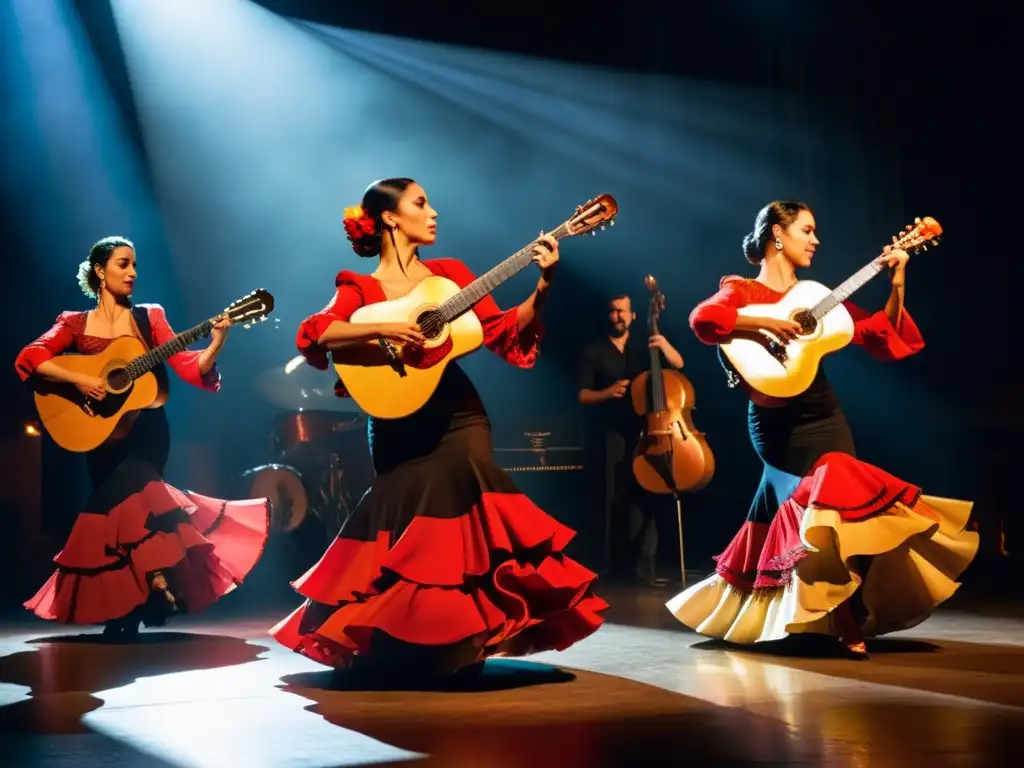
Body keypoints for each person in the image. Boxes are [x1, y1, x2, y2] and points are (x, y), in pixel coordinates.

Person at [270, 178, 607, 680]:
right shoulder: (358, 288)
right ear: (389, 217)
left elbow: (499, 330)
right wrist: (384, 327)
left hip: (457, 414)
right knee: (406, 533)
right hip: (396, 420)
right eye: (420, 204)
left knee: (466, 526)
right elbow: (316, 334)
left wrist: (544, 285)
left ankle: (463, 643)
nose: (433, 213)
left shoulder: (450, 277)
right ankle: (404, 641)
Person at [665, 201, 978, 658]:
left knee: (841, 499)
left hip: (824, 415)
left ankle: (846, 613)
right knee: (810, 509)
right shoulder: (741, 289)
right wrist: (768, 319)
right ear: (777, 234)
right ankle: (822, 616)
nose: (815, 240)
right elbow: (704, 321)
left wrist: (897, 280)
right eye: (807, 230)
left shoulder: (817, 294)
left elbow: (880, 334)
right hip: (777, 425)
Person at [15, 236, 271, 638]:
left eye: (134, 264)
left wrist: (216, 342)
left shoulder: (149, 318)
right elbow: (30, 359)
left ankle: (154, 583)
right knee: (118, 518)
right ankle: (129, 608)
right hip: (98, 435)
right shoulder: (73, 323)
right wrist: (83, 380)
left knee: (130, 494)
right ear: (99, 271)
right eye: (122, 264)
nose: (132, 272)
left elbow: (187, 366)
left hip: (146, 432)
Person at [577, 294, 685, 586]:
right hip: (611, 434)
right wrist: (607, 393)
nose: (618, 316)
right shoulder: (595, 351)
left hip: (647, 431)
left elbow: (678, 363)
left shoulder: (644, 347)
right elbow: (583, 395)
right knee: (613, 499)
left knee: (646, 496)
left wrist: (662, 342)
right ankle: (610, 565)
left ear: (633, 315)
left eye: (622, 311)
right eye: (612, 311)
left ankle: (643, 566)